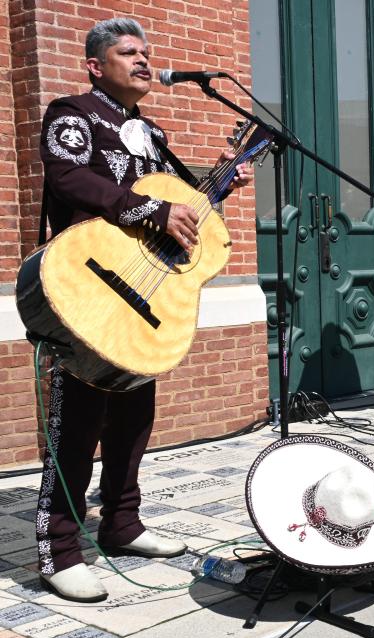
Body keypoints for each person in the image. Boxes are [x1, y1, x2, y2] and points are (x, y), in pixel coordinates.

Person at [35, 17, 253, 602]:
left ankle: (123, 525)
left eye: (145, 52)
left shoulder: (152, 134)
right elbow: (69, 179)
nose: (142, 60)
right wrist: (150, 208)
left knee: (133, 421)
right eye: (127, 52)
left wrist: (224, 180)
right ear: (94, 64)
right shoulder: (73, 113)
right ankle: (56, 549)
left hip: (145, 295)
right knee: (76, 423)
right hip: (90, 286)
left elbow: (182, 204)